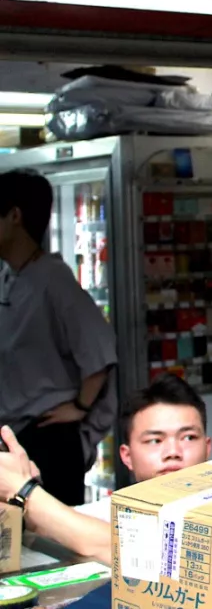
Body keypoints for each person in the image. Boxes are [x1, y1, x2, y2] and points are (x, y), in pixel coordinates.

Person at [0, 373, 211, 564]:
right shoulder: (112, 510)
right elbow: (60, 525)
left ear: (207, 447)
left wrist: (24, 490)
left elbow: (118, 547)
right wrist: (22, 484)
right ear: (127, 456)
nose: (173, 451)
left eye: (188, 437)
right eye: (155, 440)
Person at [0, 169, 118, 507]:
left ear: (14, 216)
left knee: (51, 532)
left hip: (46, 439)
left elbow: (100, 354)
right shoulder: (10, 275)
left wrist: (80, 407)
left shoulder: (53, 280)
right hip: (16, 434)